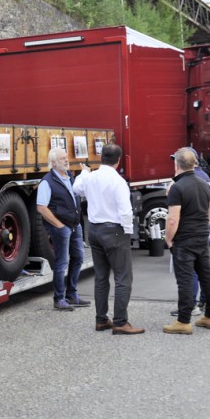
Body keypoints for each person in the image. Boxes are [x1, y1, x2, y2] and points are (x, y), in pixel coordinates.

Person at [72, 143, 144, 335]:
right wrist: (128, 233)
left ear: (101, 157)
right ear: (119, 160)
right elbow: (125, 211)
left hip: (94, 230)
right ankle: (120, 321)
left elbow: (76, 188)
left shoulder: (90, 177)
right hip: (114, 230)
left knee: (101, 277)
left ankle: (101, 319)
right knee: (123, 277)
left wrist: (84, 173)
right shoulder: (118, 181)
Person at [163, 148, 210, 335]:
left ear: (176, 164)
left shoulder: (176, 188)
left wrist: (168, 238)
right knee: (206, 276)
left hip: (184, 239)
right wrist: (203, 228)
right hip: (202, 236)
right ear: (194, 164)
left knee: (185, 279)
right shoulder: (205, 185)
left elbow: (173, 219)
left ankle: (183, 321)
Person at [37, 147, 90, 310]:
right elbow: (41, 207)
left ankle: (72, 295)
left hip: (75, 225)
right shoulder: (47, 182)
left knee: (78, 258)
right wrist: (59, 226)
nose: (67, 160)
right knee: (62, 263)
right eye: (62, 159)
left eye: (67, 157)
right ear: (53, 163)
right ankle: (59, 299)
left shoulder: (70, 178)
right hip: (62, 228)